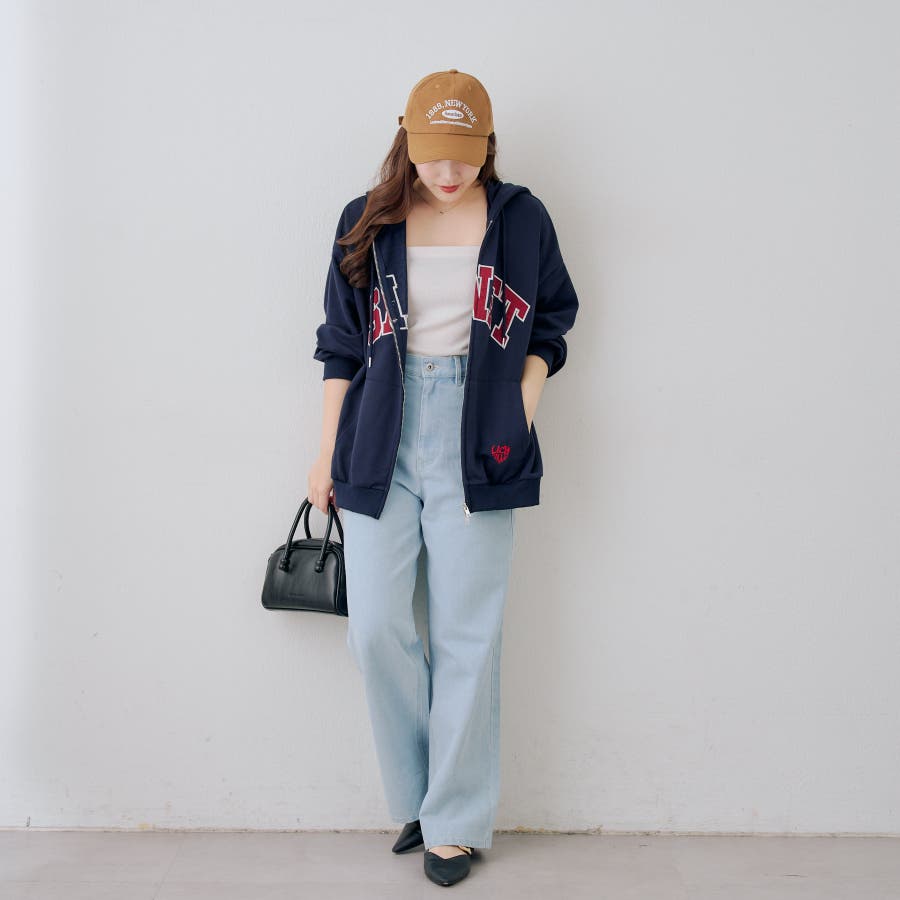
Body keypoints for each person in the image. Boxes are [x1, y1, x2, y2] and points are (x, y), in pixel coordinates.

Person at [307, 69, 579, 887]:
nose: (448, 172)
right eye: (433, 155)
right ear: (408, 141)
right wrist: (324, 452)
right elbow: (340, 343)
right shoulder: (367, 219)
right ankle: (420, 798)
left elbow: (553, 319)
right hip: (379, 433)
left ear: (486, 146)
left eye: (464, 154)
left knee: (468, 633)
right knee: (375, 626)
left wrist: (519, 408)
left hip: (481, 431)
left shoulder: (520, 218)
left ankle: (454, 821)